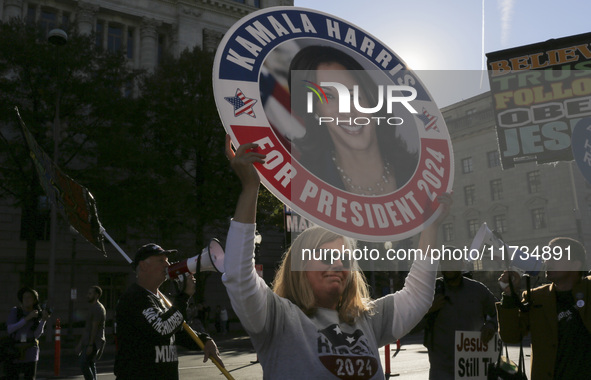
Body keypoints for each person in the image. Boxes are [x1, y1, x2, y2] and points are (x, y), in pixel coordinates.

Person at [222, 136, 451, 379]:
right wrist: (250, 188)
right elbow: (239, 276)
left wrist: (431, 227)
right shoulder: (277, 318)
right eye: (325, 255)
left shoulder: (367, 320)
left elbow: (418, 295)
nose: (338, 264)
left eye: (345, 259)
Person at [289, 45, 418, 195]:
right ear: (316, 111)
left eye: (353, 95)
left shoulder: (417, 175)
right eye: (329, 97)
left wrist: (430, 218)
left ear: (371, 100)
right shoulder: (305, 186)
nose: (347, 111)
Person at [114, 243, 223, 380]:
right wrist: (184, 297)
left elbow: (176, 332)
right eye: (161, 261)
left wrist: (204, 340)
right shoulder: (134, 298)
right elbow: (163, 328)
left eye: (167, 260)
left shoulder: (160, 299)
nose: (167, 265)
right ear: (143, 266)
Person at [497, 237, 591, 379]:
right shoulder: (536, 297)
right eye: (547, 255)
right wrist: (509, 295)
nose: (548, 260)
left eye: (556, 255)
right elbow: (510, 336)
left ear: (576, 265)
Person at [419, 250, 498, 380]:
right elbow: (410, 326)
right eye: (445, 263)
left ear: (461, 265)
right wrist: (428, 310)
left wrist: (490, 325)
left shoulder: (477, 290)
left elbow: (498, 312)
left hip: (474, 368)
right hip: (441, 370)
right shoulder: (429, 292)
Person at [5, 287, 51, 380]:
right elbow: (10, 329)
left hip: (31, 351)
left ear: (34, 300)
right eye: (24, 297)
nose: (27, 299)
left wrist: (43, 321)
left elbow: (36, 335)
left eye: (29, 297)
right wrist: (27, 318)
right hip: (15, 351)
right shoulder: (16, 311)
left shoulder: (37, 314)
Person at [75, 286, 106, 380]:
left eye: (90, 293)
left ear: (96, 295)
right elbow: (87, 328)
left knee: (83, 362)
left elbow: (94, 328)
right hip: (88, 341)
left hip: (94, 342)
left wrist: (90, 345)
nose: (87, 296)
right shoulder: (92, 307)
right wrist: (80, 344)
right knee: (90, 363)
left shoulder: (98, 308)